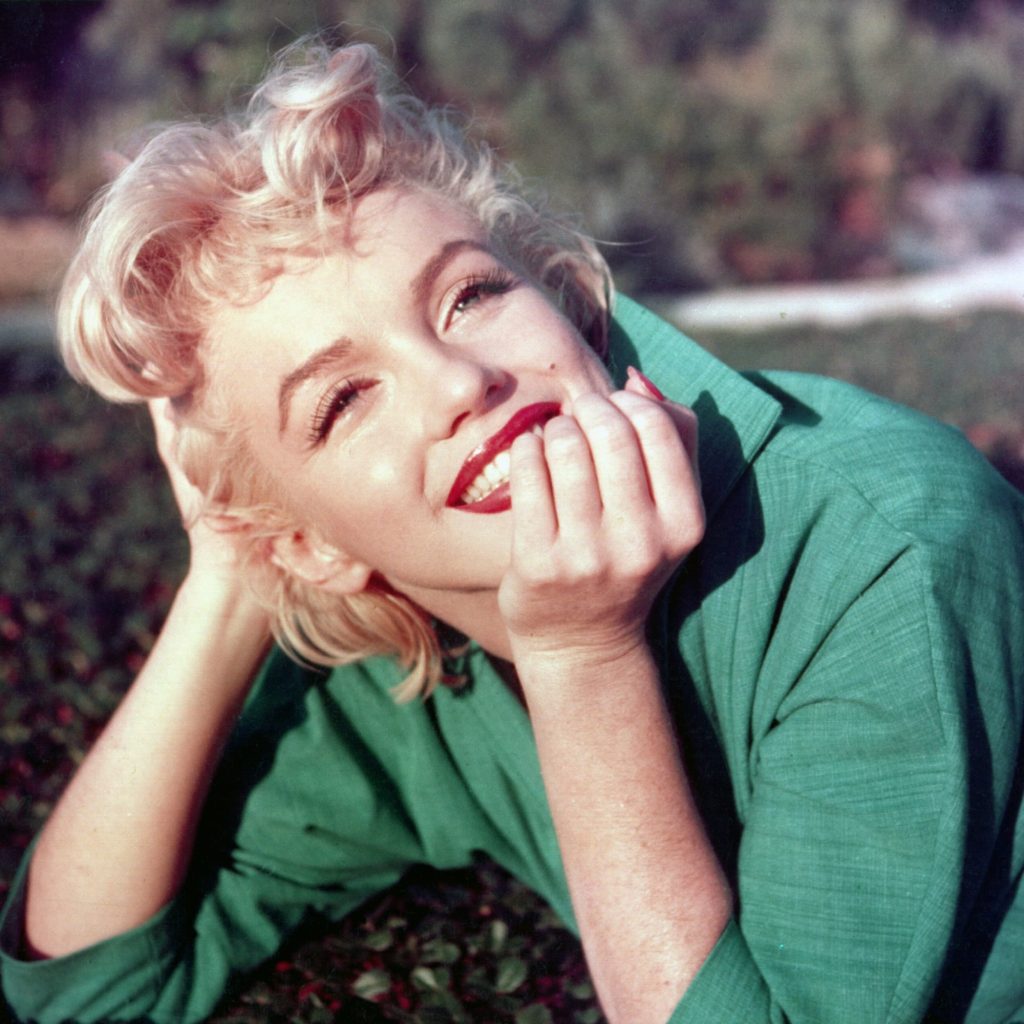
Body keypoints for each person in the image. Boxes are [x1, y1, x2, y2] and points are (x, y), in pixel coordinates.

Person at [2, 36, 1023, 1024]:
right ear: (312, 545)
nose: (459, 382)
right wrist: (230, 576)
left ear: (567, 304)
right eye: (344, 399)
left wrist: (585, 655)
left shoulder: (884, 551)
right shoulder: (409, 674)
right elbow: (83, 986)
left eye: (470, 295)